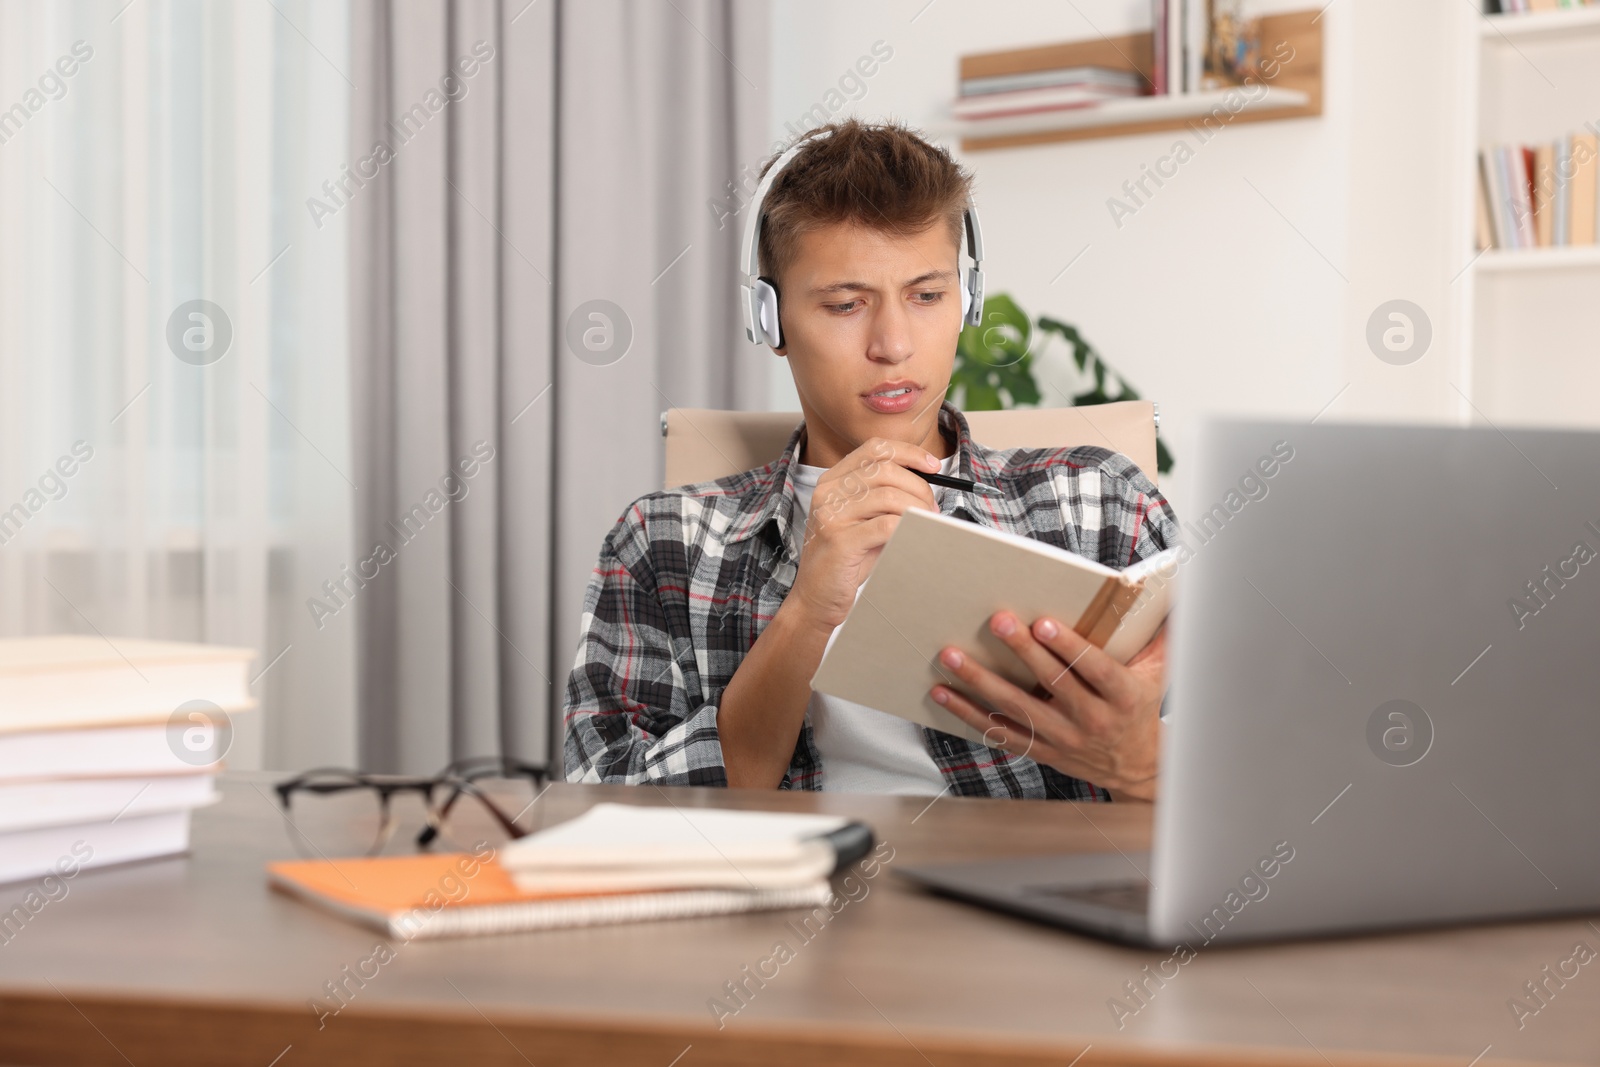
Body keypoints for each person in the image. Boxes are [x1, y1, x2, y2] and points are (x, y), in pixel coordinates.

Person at [563, 119, 1177, 801]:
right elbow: (604, 803)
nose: (893, 344)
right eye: (847, 304)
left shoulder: (1099, 503)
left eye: (927, 295)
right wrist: (805, 611)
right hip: (785, 903)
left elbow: (1264, 779)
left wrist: (1144, 762)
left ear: (966, 300)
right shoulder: (662, 541)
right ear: (770, 321)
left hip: (1024, 901)